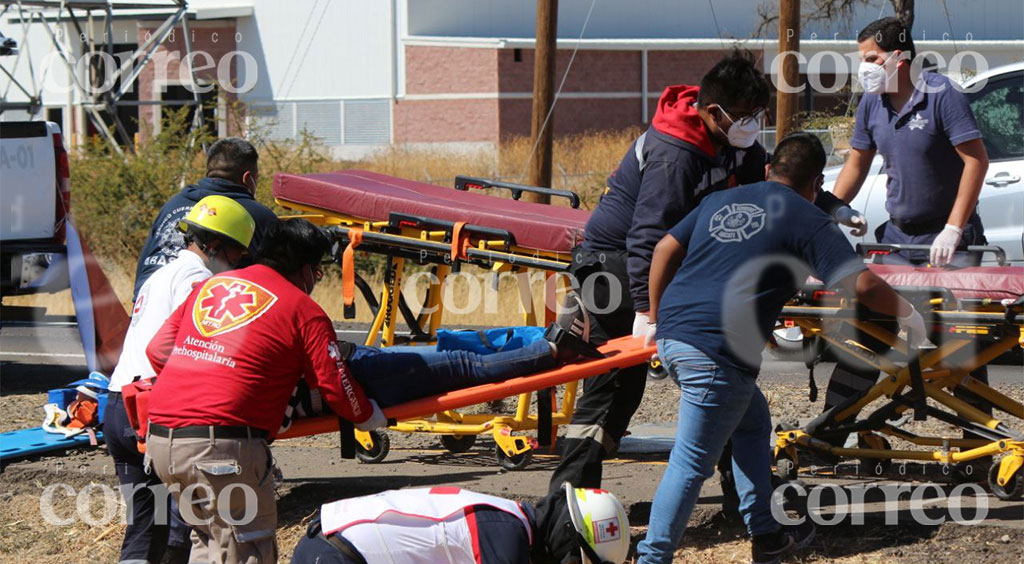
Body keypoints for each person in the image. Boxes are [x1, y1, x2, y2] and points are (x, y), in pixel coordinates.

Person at [144, 218, 602, 564]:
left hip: (165, 442)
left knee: (209, 546)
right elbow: (335, 384)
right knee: (244, 553)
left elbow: (157, 350)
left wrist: (225, 375)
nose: (316, 280)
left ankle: (548, 344)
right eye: (318, 271)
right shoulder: (300, 308)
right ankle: (553, 348)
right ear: (304, 269)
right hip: (226, 442)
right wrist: (367, 417)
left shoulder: (213, 288)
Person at [549, 50, 867, 499]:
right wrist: (646, 311)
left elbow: (780, 179)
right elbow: (646, 240)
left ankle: (744, 497)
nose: (751, 125)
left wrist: (834, 207)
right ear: (712, 110)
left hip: (665, 266)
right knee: (615, 390)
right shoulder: (675, 155)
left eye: (756, 116)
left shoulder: (731, 141)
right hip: (617, 269)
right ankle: (568, 506)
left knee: (724, 376)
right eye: (743, 116)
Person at [635, 133, 927, 564]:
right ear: (816, 185)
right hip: (716, 353)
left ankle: (767, 536)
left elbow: (664, 248)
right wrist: (909, 315)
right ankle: (652, 558)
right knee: (692, 462)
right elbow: (861, 283)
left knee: (752, 422)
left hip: (677, 336)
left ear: (769, 169)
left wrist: (656, 317)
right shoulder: (806, 217)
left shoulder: (722, 200)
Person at [822, 16, 991, 447]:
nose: (865, 67)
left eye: (872, 58)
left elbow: (976, 161)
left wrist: (954, 228)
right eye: (861, 59)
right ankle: (834, 430)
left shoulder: (942, 95)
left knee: (959, 342)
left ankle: (978, 440)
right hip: (897, 238)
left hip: (947, 240)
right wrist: (834, 210)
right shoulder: (871, 103)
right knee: (865, 328)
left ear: (900, 57)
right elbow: (858, 162)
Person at [105, 195, 256, 564]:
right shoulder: (198, 280)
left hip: (117, 406)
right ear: (215, 245)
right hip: (151, 408)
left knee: (144, 527)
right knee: (182, 529)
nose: (237, 265)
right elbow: (196, 345)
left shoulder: (160, 275)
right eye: (237, 256)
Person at [290, 484, 630, 564]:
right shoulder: (506, 536)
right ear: (568, 537)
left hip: (330, 545)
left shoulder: (509, 519)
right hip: (336, 555)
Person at [133, 137, 279, 301]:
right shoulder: (256, 215)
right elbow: (278, 280)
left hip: (144, 304)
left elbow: (144, 264)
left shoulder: (174, 203)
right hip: (201, 313)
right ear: (248, 178)